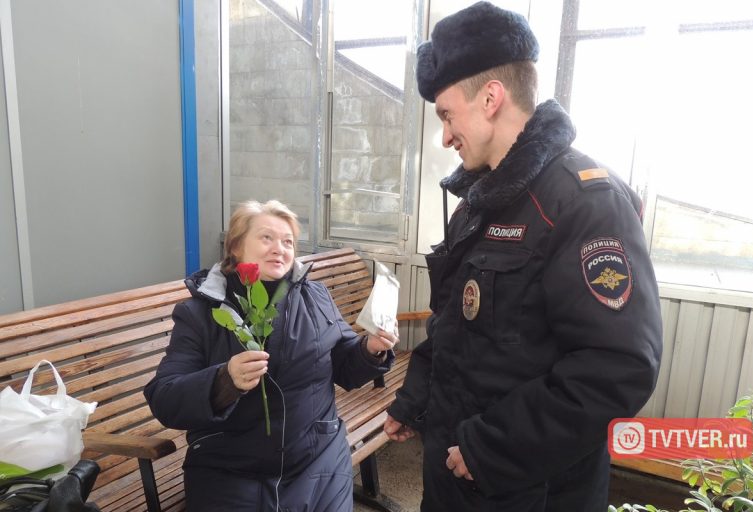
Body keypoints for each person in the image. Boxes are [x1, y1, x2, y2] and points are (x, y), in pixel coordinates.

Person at [384, 2, 663, 511]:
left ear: (491, 98)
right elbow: (454, 324)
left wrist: (492, 448)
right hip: (453, 472)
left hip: (527, 488)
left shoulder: (583, 202)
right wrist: (415, 398)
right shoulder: (478, 202)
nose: (444, 135)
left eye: (446, 114)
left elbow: (616, 367)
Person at [144, 199, 399, 512]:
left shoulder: (315, 297)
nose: (280, 249)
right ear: (235, 247)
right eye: (267, 238)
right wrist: (224, 381)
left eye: (288, 242)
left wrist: (370, 350)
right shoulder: (200, 312)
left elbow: (344, 366)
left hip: (317, 461)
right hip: (230, 469)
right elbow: (165, 398)